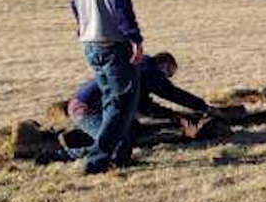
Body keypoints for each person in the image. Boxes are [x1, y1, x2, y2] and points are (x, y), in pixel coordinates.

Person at [67, 0, 144, 174]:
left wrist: (82, 27)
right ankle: (96, 160)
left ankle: (120, 153)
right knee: (121, 104)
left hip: (89, 41)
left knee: (113, 102)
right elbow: (119, 2)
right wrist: (134, 37)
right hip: (112, 41)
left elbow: (74, 3)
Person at [60, 53, 228, 158]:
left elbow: (147, 107)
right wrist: (203, 107)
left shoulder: (139, 72)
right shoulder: (148, 71)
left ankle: (80, 137)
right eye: (169, 72)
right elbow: (172, 93)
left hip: (91, 108)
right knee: (119, 145)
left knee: (132, 128)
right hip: (86, 109)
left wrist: (174, 116)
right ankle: (62, 155)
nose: (167, 78)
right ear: (163, 64)